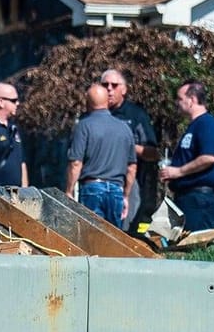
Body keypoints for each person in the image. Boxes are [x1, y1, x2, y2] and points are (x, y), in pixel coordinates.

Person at [64, 83, 137, 226]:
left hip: (92, 188)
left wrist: (69, 190)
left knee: (91, 238)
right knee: (113, 239)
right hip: (116, 190)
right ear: (107, 101)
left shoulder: (84, 126)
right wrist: (126, 196)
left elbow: (76, 163)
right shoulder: (125, 128)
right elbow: (132, 167)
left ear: (87, 102)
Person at [160, 79, 214, 232]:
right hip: (188, 197)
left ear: (192, 100)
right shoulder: (194, 126)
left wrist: (178, 171)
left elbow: (209, 157)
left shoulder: (207, 123)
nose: (177, 103)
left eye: (180, 98)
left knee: (194, 246)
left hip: (200, 199)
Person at [100, 68, 159, 232]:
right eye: (105, 85)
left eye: (114, 85)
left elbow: (153, 153)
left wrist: (125, 146)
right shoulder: (96, 113)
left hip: (129, 181)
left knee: (123, 230)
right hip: (99, 181)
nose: (109, 89)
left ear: (124, 89)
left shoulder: (136, 115)